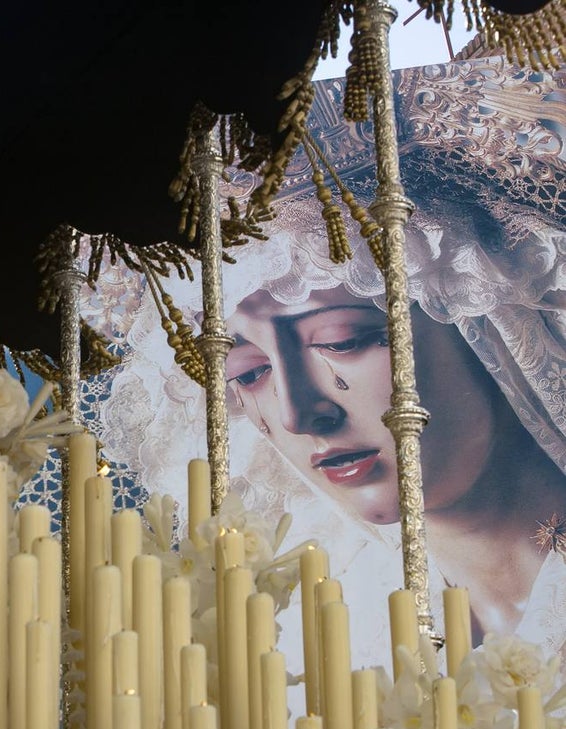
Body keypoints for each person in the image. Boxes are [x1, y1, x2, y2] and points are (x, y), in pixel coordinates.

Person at [91, 56, 566, 674]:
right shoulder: (310, 652)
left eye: (341, 340)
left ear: (482, 321)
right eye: (245, 373)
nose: (298, 412)